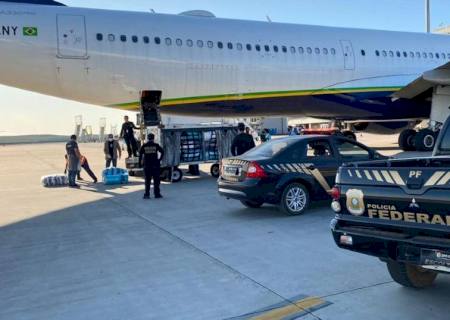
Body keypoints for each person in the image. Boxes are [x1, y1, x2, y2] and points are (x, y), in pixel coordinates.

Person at [139, 133, 164, 200]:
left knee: (147, 181)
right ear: (153, 138)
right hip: (155, 166)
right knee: (156, 181)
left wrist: (140, 164)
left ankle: (147, 195)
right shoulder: (156, 145)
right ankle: (157, 194)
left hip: (147, 166)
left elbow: (140, 155)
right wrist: (159, 160)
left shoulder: (144, 146)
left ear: (148, 138)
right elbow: (162, 152)